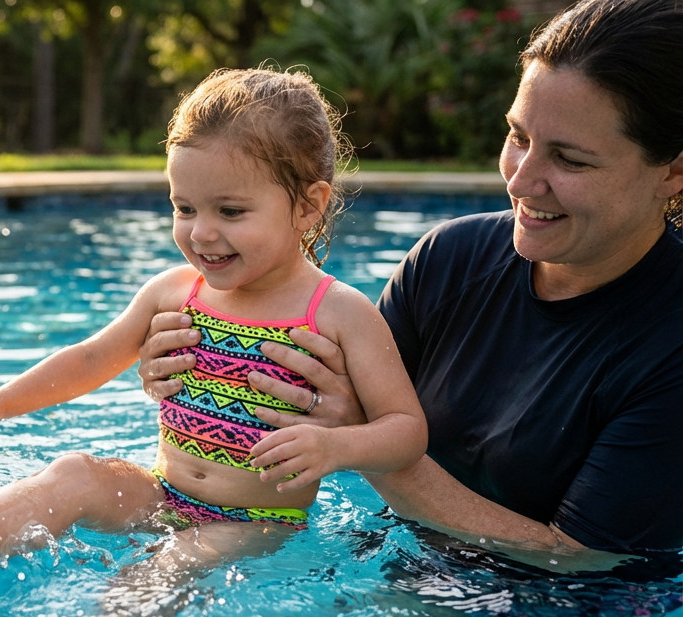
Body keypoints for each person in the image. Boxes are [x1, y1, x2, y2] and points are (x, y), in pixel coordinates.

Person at [140, 0, 683, 564]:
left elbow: (583, 558)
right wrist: (182, 364)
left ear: (671, 170)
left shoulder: (670, 345)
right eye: (518, 136)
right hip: (396, 565)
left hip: (566, 616)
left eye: (569, 160)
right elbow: (306, 396)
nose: (520, 181)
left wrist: (362, 444)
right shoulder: (451, 259)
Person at [0, 67, 427, 591]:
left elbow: (406, 430)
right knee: (74, 472)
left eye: (231, 211)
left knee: (155, 575)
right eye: (184, 207)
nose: (202, 233)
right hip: (162, 492)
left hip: (256, 520)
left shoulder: (339, 312)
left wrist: (336, 448)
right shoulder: (174, 291)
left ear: (308, 206)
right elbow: (93, 358)